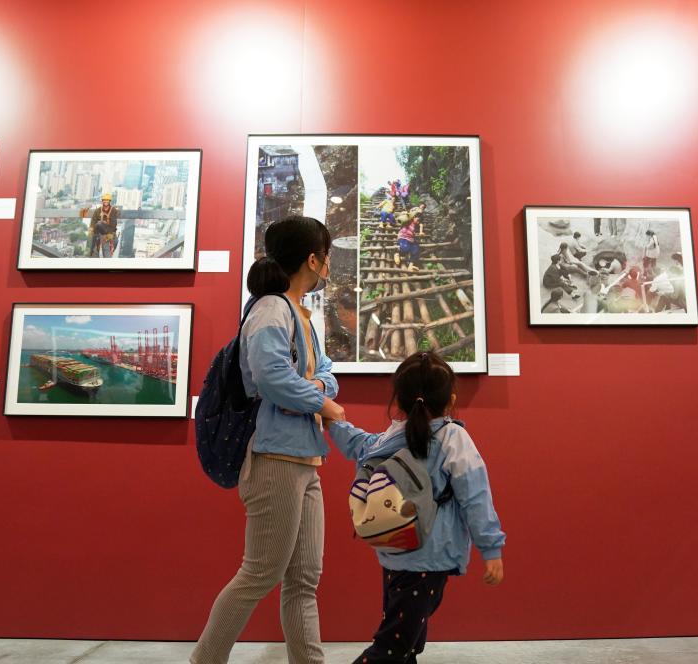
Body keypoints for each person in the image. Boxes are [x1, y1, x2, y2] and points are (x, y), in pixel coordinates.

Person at [190, 216, 346, 664]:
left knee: (303, 580)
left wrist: (316, 390)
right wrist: (323, 403)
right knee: (260, 572)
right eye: (327, 255)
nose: (329, 264)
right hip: (274, 456)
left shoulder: (299, 314)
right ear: (313, 260)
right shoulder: (272, 308)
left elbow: (327, 373)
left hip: (303, 459)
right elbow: (271, 376)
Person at [328, 352, 505, 664]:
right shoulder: (454, 438)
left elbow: (360, 446)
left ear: (399, 399)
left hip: (394, 550)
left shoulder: (393, 435)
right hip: (431, 557)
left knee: (406, 642)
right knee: (393, 647)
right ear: (451, 400)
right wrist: (491, 549)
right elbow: (475, 496)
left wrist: (334, 424)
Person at [88, 192, 119, 258]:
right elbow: (93, 220)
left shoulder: (113, 210)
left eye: (107, 200)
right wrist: (91, 229)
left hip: (110, 231)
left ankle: (109, 252)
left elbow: (114, 223)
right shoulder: (98, 210)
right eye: (104, 200)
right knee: (102, 249)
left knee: (115, 242)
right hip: (100, 232)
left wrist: (110, 233)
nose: (105, 201)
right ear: (102, 201)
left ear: (109, 201)